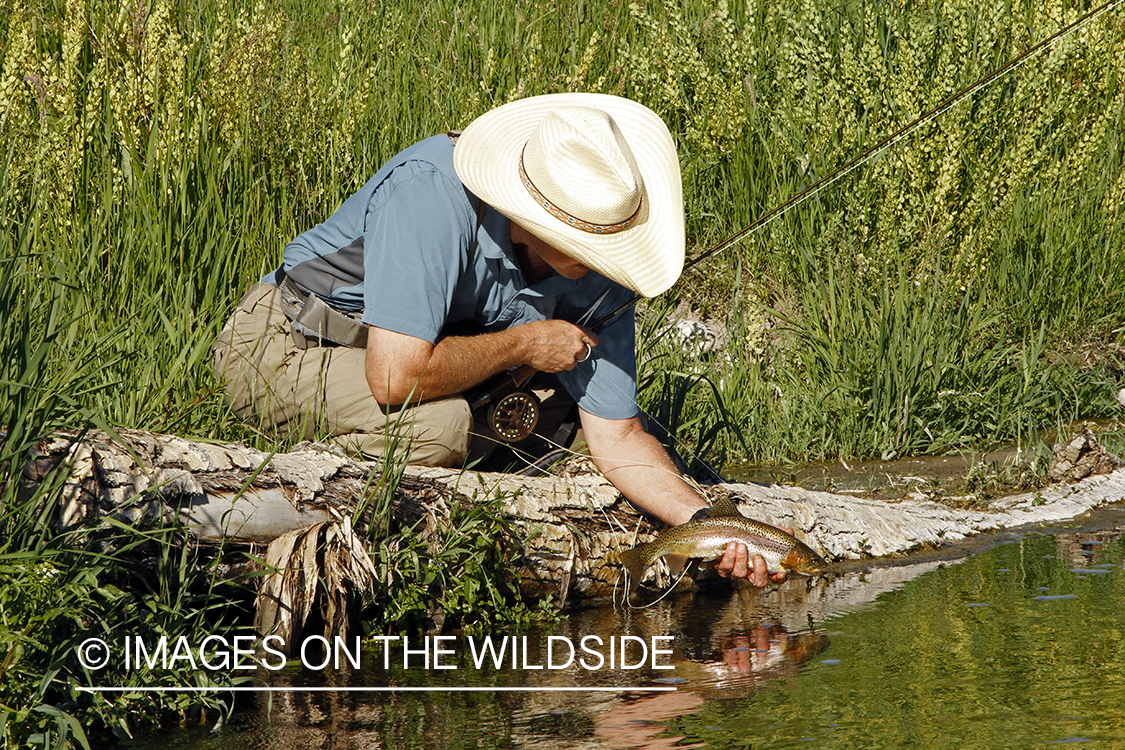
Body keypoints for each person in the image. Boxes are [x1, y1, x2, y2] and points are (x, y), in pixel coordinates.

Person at [213, 93, 784, 586]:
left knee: (587, 434)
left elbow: (620, 436)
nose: (606, 260)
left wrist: (708, 525)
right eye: (590, 245)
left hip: (403, 364)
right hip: (288, 343)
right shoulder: (432, 193)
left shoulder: (600, 271)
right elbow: (394, 378)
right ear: (537, 217)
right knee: (440, 427)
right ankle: (298, 491)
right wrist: (523, 346)